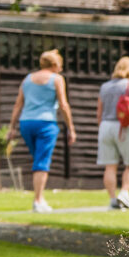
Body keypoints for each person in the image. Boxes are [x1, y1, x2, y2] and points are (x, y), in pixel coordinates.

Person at [8, 50, 78, 213]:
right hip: (46, 123)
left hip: (26, 123)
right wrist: (71, 128)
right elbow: (63, 105)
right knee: (42, 162)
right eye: (60, 64)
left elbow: (18, 105)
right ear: (54, 65)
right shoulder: (57, 79)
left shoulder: (27, 79)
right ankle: (38, 201)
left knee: (38, 160)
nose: (61, 68)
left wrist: (12, 127)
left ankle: (40, 198)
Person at [96, 56, 129, 209]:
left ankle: (113, 200)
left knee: (110, 166)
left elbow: (99, 112)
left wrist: (102, 128)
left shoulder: (104, 86)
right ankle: (124, 193)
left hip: (106, 126)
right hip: (125, 126)